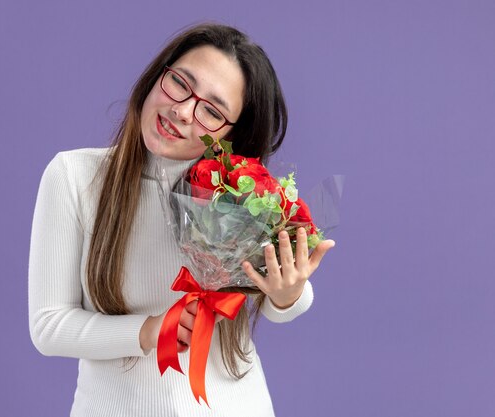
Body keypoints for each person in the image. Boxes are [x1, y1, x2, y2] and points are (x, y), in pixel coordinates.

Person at [28, 23, 335, 417]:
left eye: (211, 110)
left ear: (230, 133)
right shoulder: (73, 176)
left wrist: (287, 290)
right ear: (159, 73)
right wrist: (149, 330)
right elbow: (49, 326)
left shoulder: (241, 194)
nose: (182, 111)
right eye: (179, 83)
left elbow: (282, 300)